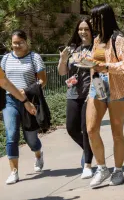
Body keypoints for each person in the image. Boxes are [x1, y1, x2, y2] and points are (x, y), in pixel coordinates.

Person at [86, 4, 124, 188]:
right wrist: (87, 62)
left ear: (102, 18)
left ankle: (118, 170)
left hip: (117, 88)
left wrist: (106, 67)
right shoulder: (97, 39)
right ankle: (101, 168)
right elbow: (95, 62)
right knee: (91, 128)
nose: (91, 22)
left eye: (94, 18)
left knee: (117, 133)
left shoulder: (119, 39)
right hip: (97, 86)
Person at [1, 30, 46, 185]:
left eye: (20, 42)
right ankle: (14, 171)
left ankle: (38, 155)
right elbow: (2, 80)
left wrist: (25, 91)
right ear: (10, 43)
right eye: (14, 42)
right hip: (10, 101)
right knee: (11, 134)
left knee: (31, 139)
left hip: (29, 101)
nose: (17, 45)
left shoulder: (35, 58)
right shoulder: (6, 59)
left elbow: (42, 81)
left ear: (26, 42)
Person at [57, 17, 94, 179]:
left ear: (92, 31)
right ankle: (89, 150)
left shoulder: (96, 47)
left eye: (86, 29)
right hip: (72, 93)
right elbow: (62, 72)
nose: (83, 32)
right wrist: (63, 59)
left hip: (90, 93)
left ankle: (87, 164)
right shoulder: (72, 49)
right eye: (81, 29)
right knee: (71, 128)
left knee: (87, 129)